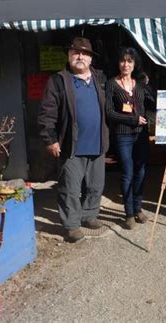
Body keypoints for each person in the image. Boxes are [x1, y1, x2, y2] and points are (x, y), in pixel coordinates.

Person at [38, 37, 109, 243]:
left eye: (84, 53)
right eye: (76, 52)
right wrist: (50, 139)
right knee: (70, 188)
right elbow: (46, 114)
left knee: (96, 185)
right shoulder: (58, 81)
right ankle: (71, 225)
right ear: (69, 55)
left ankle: (89, 215)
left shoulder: (100, 79)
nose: (80, 56)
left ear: (90, 58)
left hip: (97, 143)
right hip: (71, 145)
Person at [106, 47, 156, 229]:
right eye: (123, 61)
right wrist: (132, 119)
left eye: (129, 61)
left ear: (135, 64)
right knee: (127, 173)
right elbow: (109, 112)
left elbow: (150, 105)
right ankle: (128, 213)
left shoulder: (140, 84)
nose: (126, 64)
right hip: (122, 134)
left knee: (141, 171)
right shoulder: (112, 84)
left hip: (141, 134)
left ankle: (138, 208)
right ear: (118, 63)